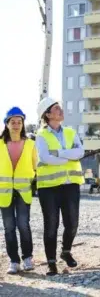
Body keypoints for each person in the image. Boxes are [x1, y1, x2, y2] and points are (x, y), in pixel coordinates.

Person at [35, 97, 85, 276]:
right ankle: (51, 263)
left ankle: (66, 251)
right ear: (47, 114)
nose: (60, 110)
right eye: (56, 108)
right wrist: (68, 156)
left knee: (72, 223)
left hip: (70, 184)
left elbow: (80, 152)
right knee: (51, 225)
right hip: (48, 187)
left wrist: (60, 154)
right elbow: (45, 157)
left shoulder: (71, 132)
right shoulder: (41, 135)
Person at [0, 107, 36, 274]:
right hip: (4, 192)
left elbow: (37, 167)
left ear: (23, 124)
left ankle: (27, 257)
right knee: (8, 227)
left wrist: (36, 186)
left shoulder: (30, 144)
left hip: (23, 190)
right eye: (12, 122)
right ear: (6, 124)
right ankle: (14, 261)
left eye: (19, 122)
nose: (16, 125)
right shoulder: (0, 144)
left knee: (23, 225)